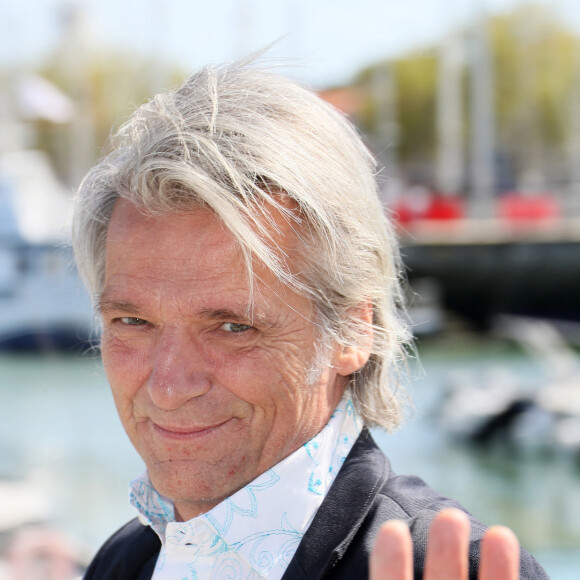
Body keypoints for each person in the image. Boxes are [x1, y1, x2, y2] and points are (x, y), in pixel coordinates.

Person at [73, 61, 549, 579]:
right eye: (132, 322)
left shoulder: (446, 568)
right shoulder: (126, 560)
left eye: (234, 328)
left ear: (353, 331)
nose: (167, 386)